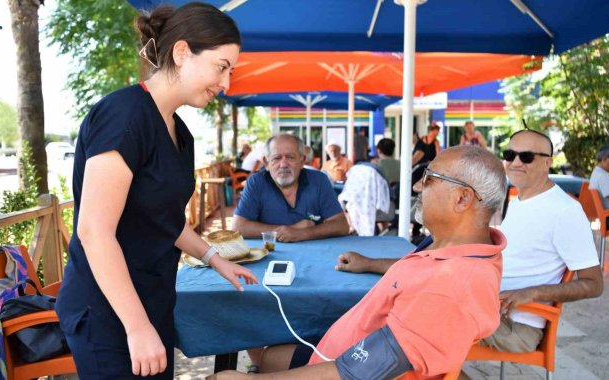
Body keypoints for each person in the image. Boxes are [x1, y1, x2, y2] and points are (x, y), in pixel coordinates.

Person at [55, 4, 258, 379]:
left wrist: (215, 258)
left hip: (152, 301)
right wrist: (136, 327)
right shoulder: (124, 116)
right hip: (107, 310)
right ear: (182, 53)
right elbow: (94, 233)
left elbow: (164, 220)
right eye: (221, 66)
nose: (226, 84)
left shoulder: (180, 132)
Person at [210, 145, 508, 379]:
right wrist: (370, 263)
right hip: (345, 349)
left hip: (339, 365)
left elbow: (359, 372)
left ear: (462, 199)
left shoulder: (450, 286)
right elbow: (422, 272)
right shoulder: (464, 249)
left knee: (257, 348)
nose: (418, 187)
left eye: (429, 179)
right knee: (265, 332)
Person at [336, 130, 603, 355]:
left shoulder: (565, 210)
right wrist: (370, 264)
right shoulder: (519, 200)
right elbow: (447, 257)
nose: (515, 162)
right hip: (481, 304)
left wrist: (532, 292)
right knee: (393, 301)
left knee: (405, 321)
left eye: (527, 157)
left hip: (513, 324)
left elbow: (593, 284)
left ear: (548, 162)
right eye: (510, 155)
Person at [232, 134, 350, 242]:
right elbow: (238, 227)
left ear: (302, 160)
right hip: (270, 254)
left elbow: (341, 225)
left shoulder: (318, 181)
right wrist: (291, 229)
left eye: (290, 157)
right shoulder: (256, 183)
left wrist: (303, 233)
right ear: (266, 163)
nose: (283, 165)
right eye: (277, 158)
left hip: (314, 253)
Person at [410, 123, 441, 242]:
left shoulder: (436, 142)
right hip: (417, 171)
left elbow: (439, 155)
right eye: (435, 131)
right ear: (431, 131)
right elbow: (416, 155)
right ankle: (414, 224)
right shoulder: (422, 141)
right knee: (415, 195)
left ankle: (417, 227)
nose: (436, 133)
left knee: (424, 196)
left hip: (427, 172)